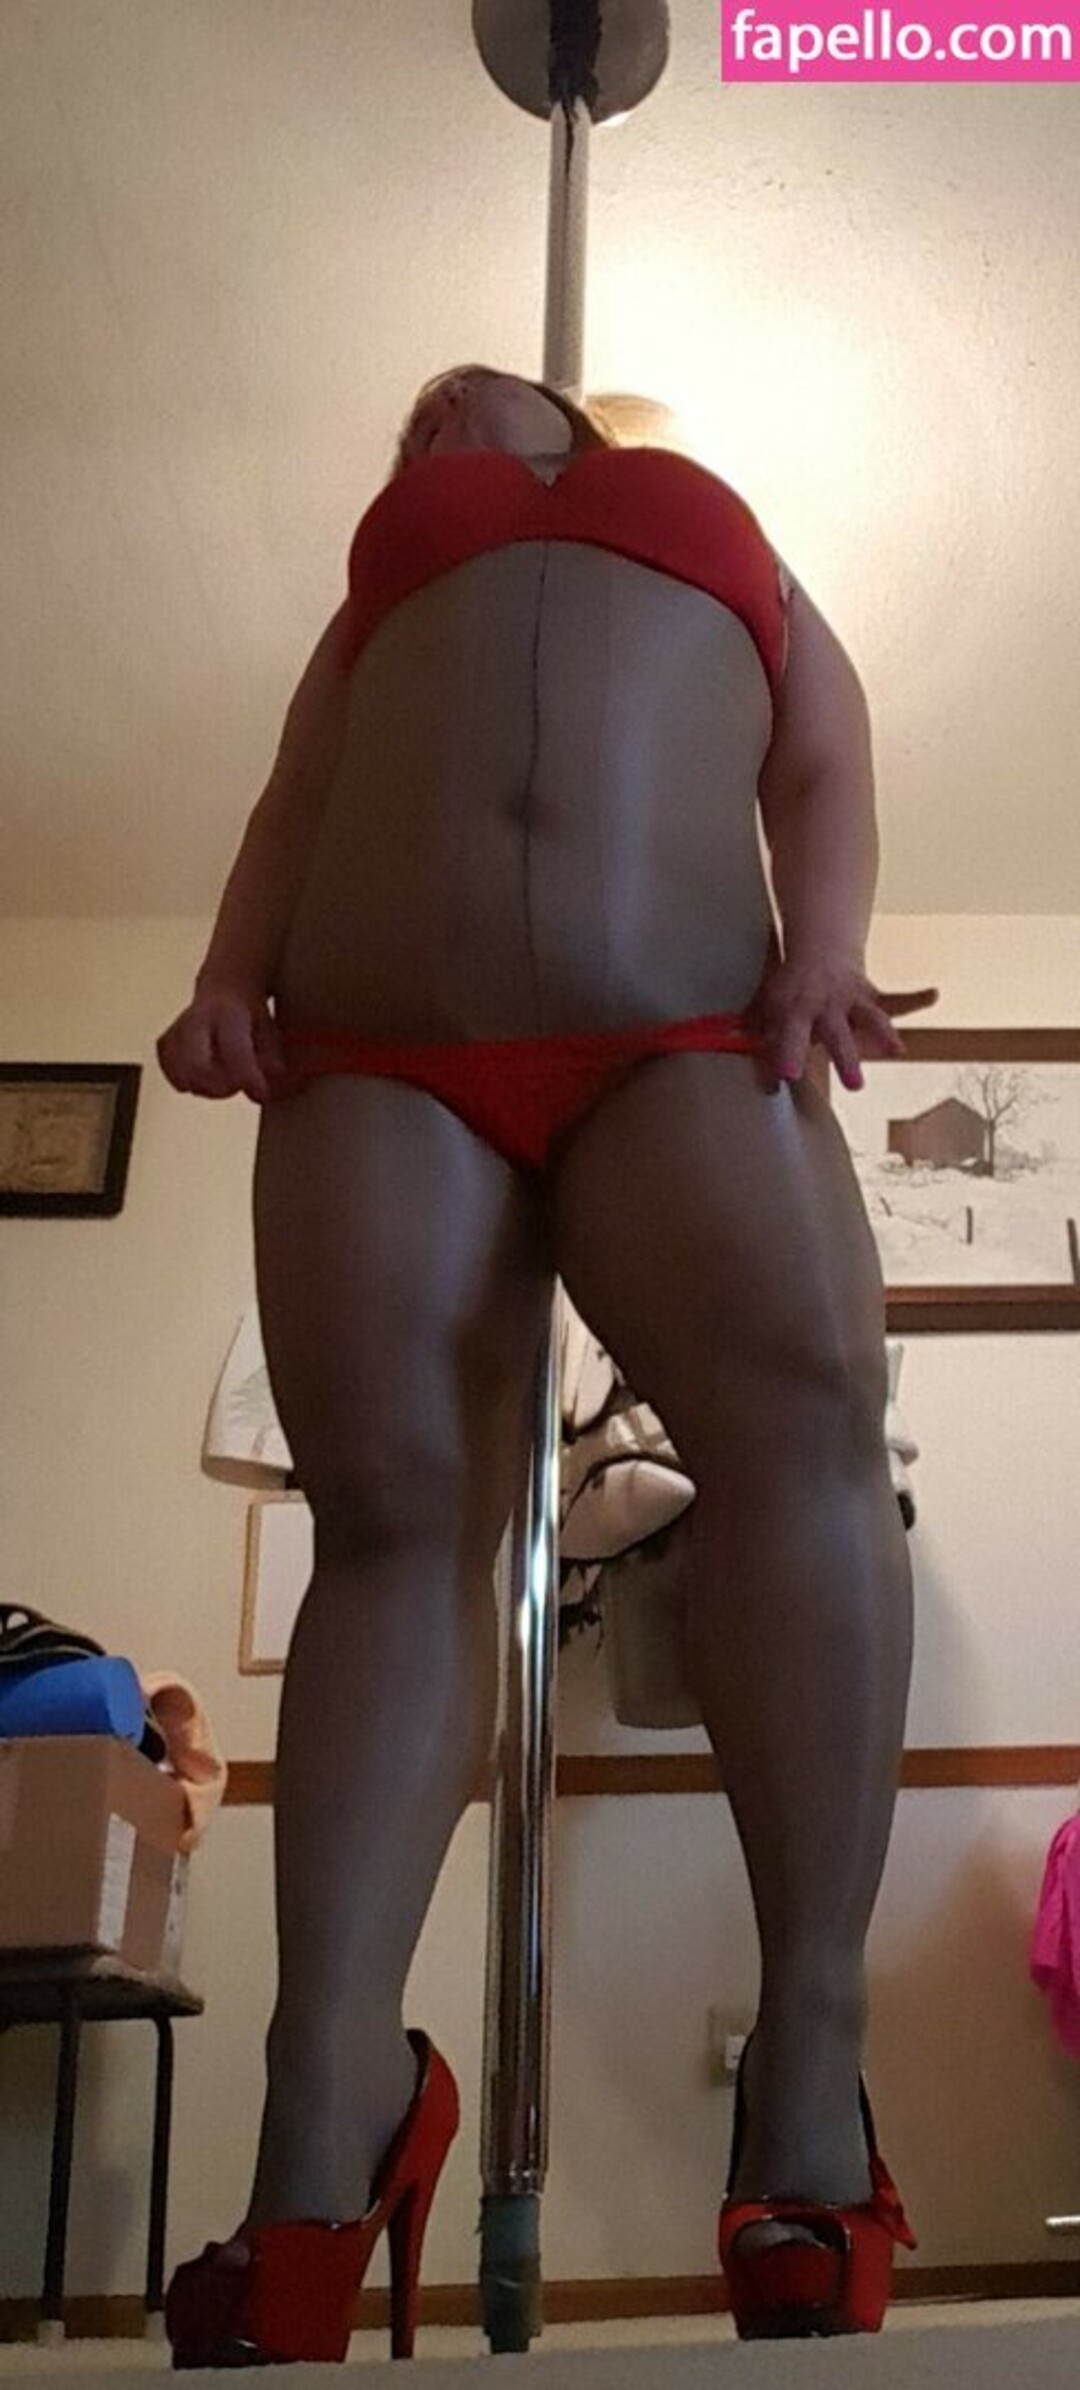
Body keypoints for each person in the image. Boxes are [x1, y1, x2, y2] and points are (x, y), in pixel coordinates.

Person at [156, 362, 938, 2359]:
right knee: (386, 1525)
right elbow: (297, 791)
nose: (433, 407)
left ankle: (810, 2067)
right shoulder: (387, 580)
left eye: (468, 401)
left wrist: (826, 944)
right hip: (374, 1046)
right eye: (408, 416)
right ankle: (323, 2108)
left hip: (686, 1022)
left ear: (578, 429)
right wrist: (226, 975)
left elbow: (822, 748)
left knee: (805, 1442)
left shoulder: (711, 511)